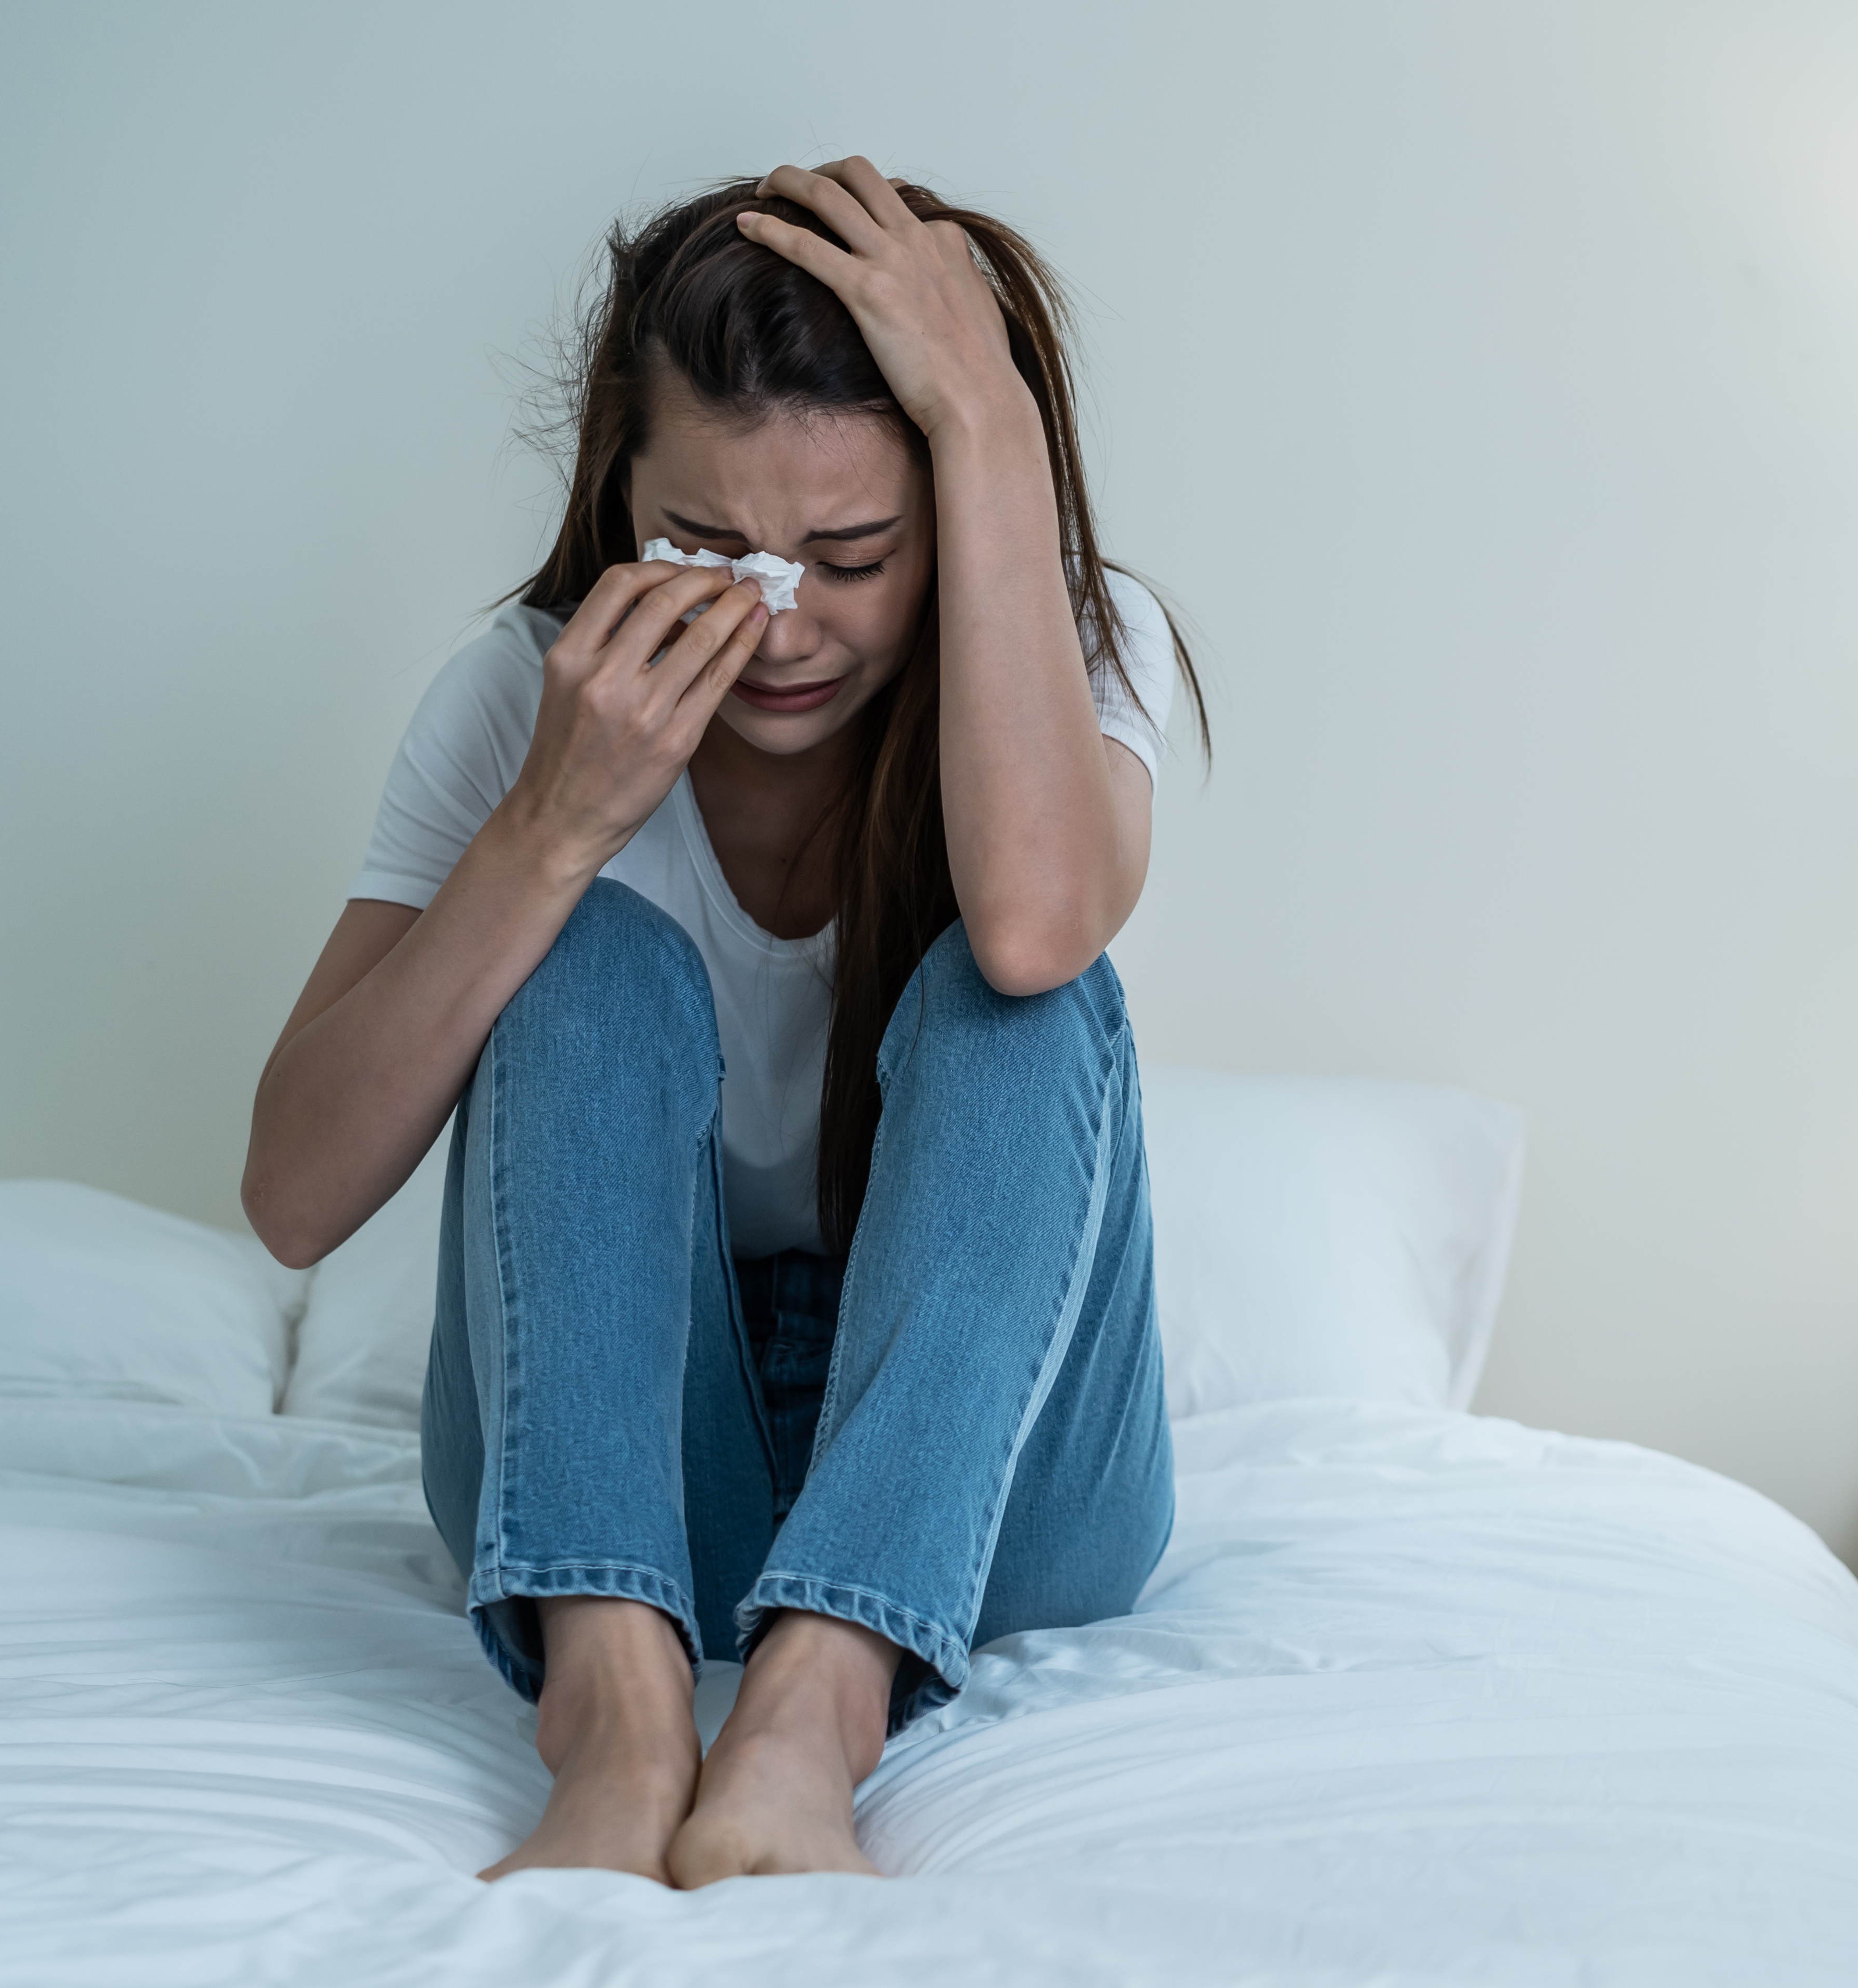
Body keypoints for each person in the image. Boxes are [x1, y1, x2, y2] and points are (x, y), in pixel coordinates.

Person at [240, 158, 1202, 1887]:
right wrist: (552, 827)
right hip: (620, 1476)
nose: (777, 621)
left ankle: (816, 1707)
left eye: (850, 554)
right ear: (614, 486)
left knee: (1025, 995)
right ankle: (614, 1716)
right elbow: (293, 1197)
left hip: (986, 1494)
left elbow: (1040, 923)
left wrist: (985, 413)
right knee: (584, 952)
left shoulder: (1067, 643)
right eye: (703, 544)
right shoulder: (524, 692)